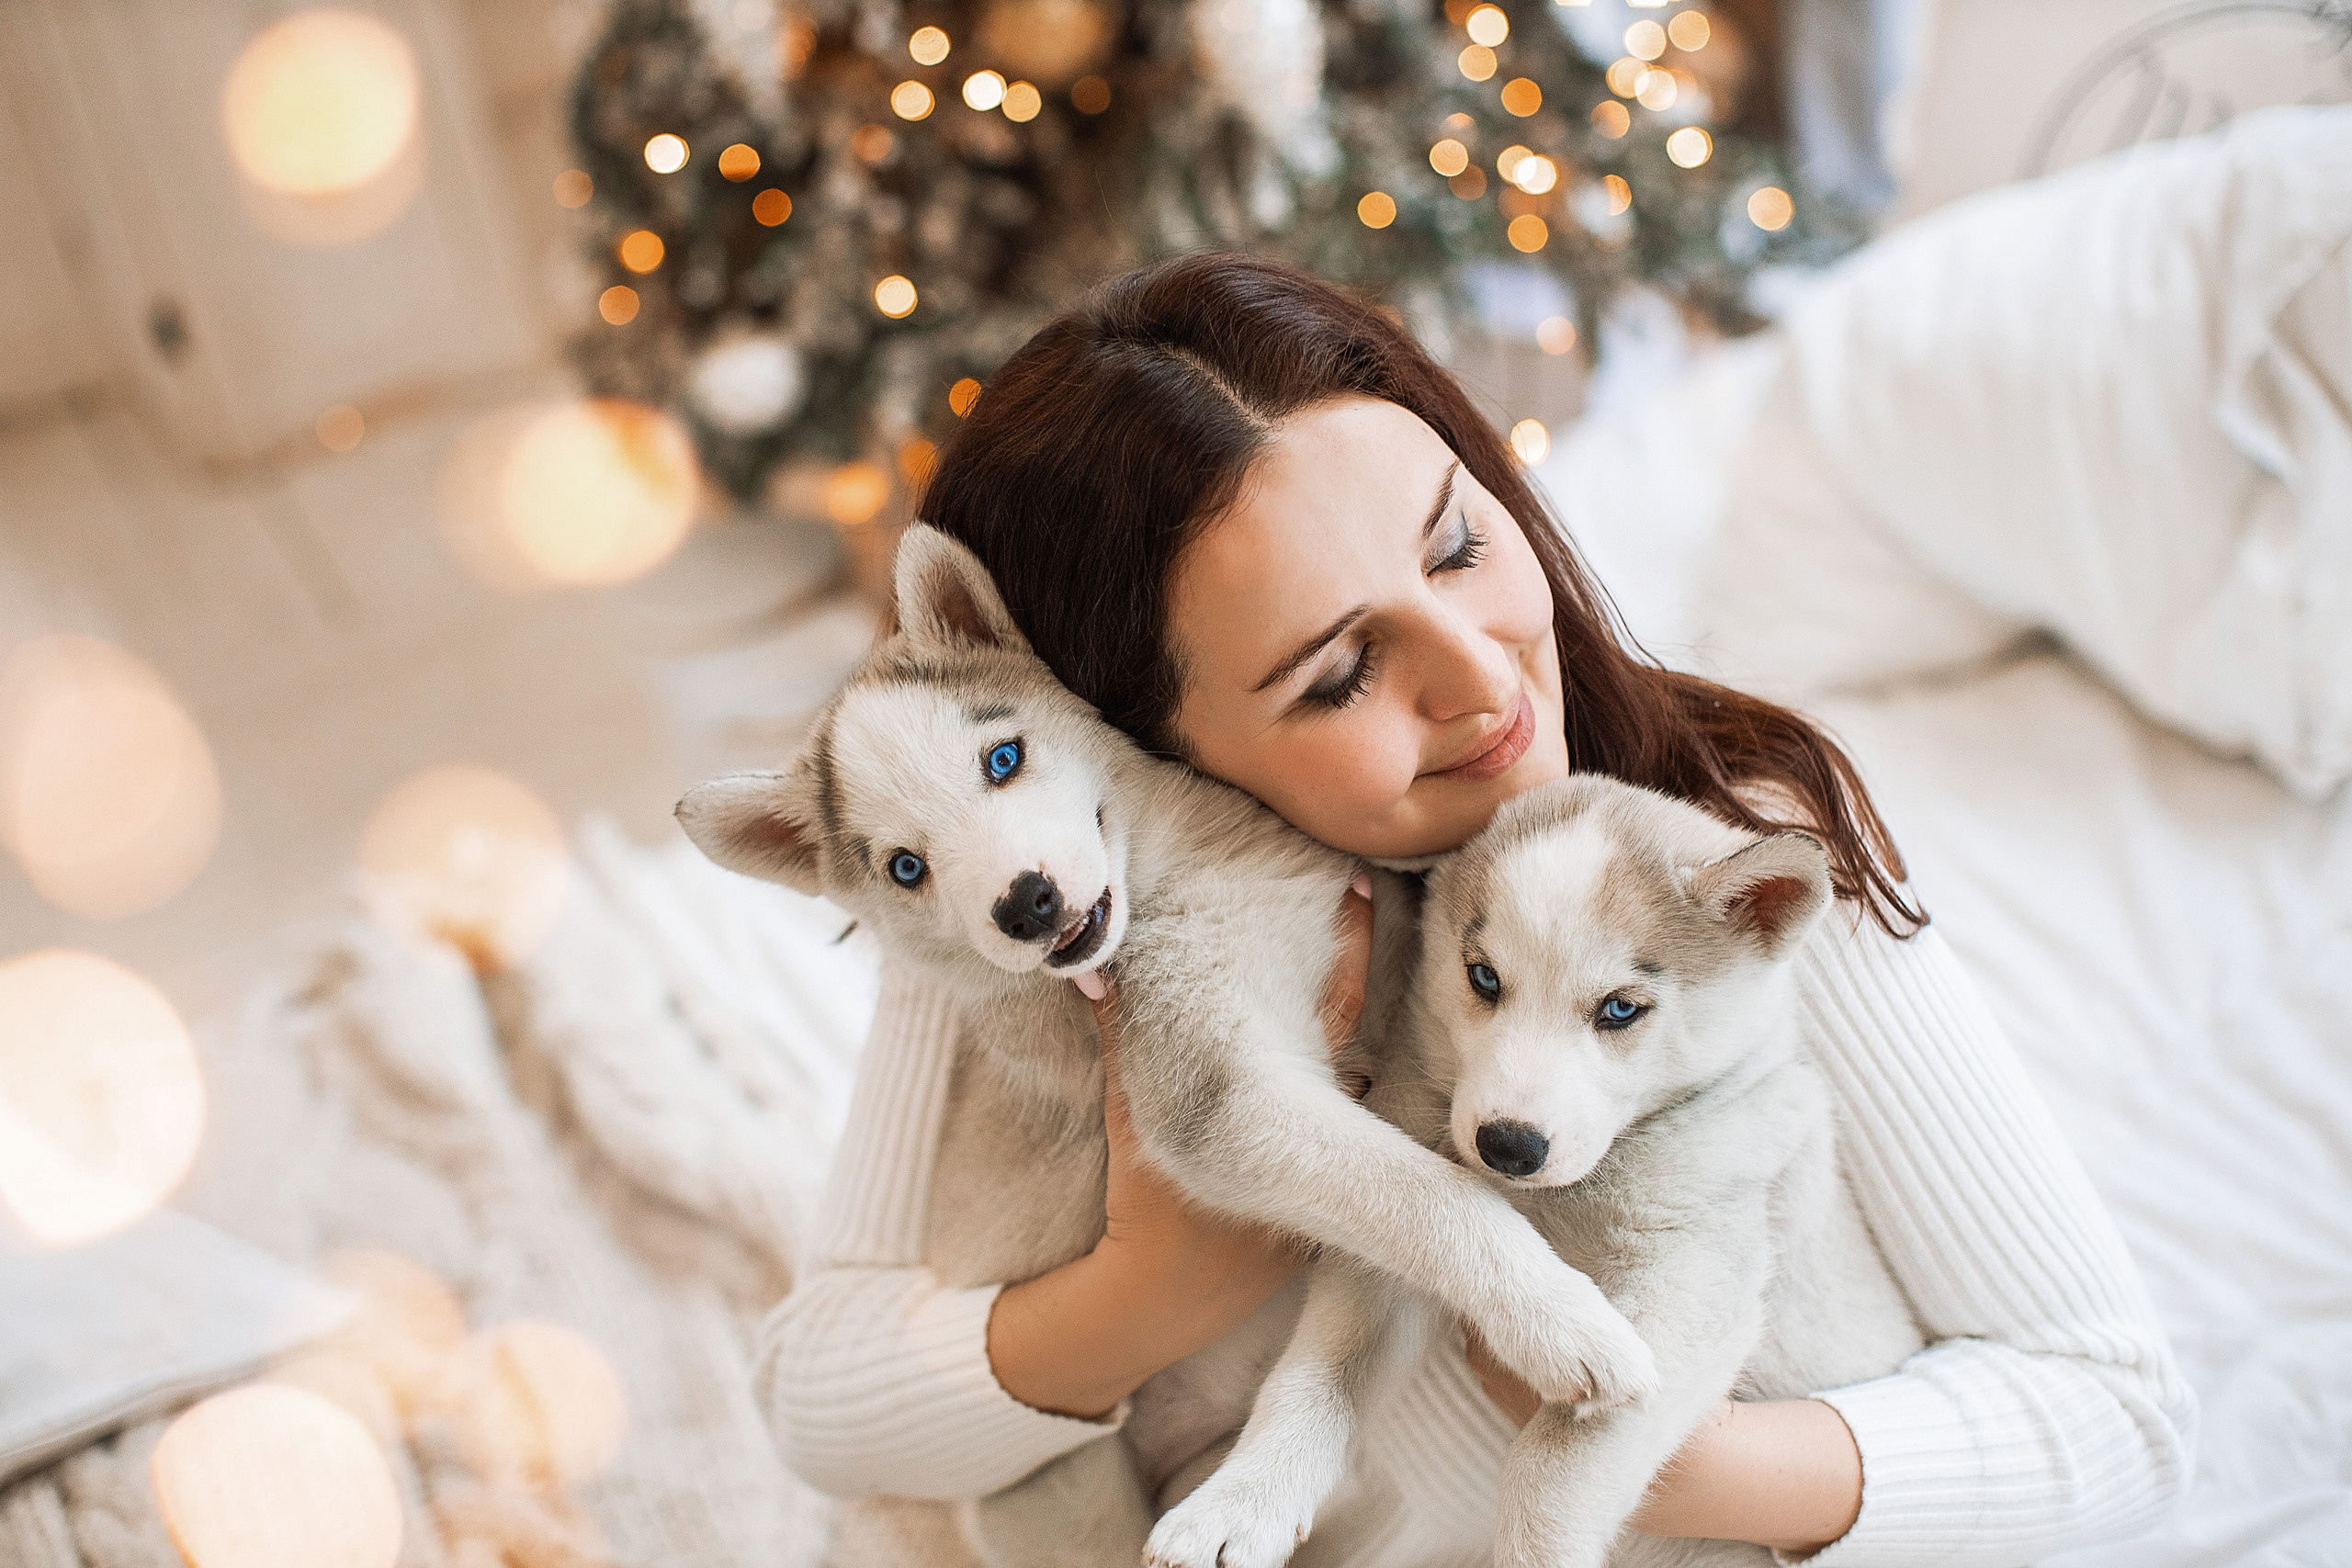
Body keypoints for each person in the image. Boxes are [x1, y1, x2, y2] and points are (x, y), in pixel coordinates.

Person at [755, 253, 2194, 1563]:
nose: (1490, 681)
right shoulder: (1049, 910)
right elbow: (816, 1401)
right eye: (1336, 675)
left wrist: (1640, 1456)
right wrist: (1149, 1284)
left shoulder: (1729, 863)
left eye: (1454, 545)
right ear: (1143, 748)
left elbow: (2115, 1414)